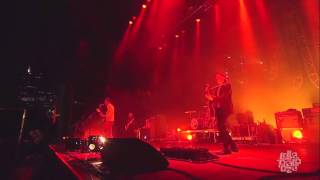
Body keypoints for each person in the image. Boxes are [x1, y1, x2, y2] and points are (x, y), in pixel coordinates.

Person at [205, 73, 238, 154]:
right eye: (216, 78)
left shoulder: (227, 86)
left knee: (221, 127)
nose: (217, 79)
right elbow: (214, 99)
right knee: (221, 128)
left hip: (225, 109)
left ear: (224, 78)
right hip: (219, 110)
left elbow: (223, 98)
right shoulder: (217, 88)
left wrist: (212, 98)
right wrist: (208, 95)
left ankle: (227, 149)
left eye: (219, 77)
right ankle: (233, 146)